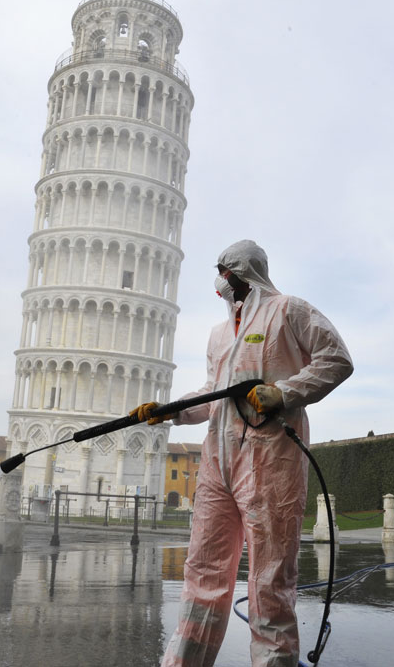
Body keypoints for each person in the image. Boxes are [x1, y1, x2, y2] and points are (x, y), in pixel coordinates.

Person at [131, 240, 353, 667]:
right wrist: (169, 410)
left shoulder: (289, 310)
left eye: (222, 272)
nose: (219, 282)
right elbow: (215, 397)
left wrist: (283, 392)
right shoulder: (219, 335)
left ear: (238, 272)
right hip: (218, 462)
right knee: (203, 572)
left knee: (269, 579)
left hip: (271, 458)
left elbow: (337, 359)